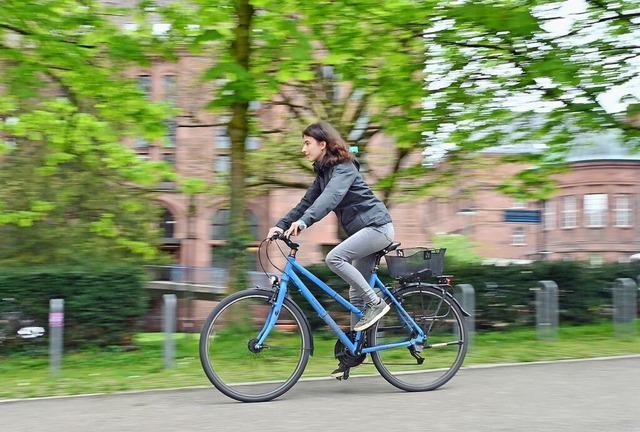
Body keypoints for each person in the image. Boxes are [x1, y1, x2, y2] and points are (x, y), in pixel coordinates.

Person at [266, 121, 395, 379]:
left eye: (307, 143)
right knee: (354, 292)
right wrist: (280, 226)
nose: (303, 149)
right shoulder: (324, 174)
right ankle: (353, 353)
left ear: (322, 144)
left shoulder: (344, 169)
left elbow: (330, 198)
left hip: (378, 228)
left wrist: (304, 222)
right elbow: (307, 202)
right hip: (364, 232)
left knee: (334, 257)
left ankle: (377, 303)